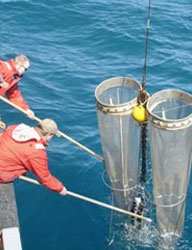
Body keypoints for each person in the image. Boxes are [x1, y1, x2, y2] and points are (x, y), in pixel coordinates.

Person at [0, 118, 67, 195]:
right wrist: (60, 189)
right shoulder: (37, 152)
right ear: (49, 135)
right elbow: (45, 178)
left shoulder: (17, 127)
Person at [0, 55, 35, 119]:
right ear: (20, 65)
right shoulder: (5, 66)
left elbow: (14, 95)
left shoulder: (13, 77)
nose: (25, 72)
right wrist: (1, 81)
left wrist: (26, 109)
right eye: (25, 69)